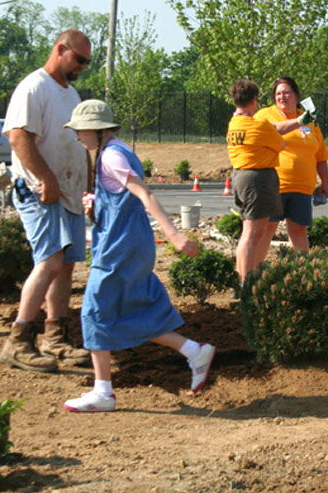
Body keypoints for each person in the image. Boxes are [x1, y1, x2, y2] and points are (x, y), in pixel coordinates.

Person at [61, 100, 214, 412]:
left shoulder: (112, 156)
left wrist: (174, 235)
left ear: (97, 129)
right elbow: (120, 198)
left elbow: (145, 194)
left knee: (94, 311)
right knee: (136, 310)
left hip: (119, 249)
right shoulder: (114, 150)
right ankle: (194, 352)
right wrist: (96, 203)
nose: (77, 136)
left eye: (80, 130)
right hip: (131, 245)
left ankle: (103, 392)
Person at [0, 29, 93, 373]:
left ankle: (54, 337)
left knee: (66, 264)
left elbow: (81, 144)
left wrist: (88, 186)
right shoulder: (34, 87)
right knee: (50, 261)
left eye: (86, 61)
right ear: (60, 49)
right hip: (40, 191)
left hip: (67, 194)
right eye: (79, 59)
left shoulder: (71, 94)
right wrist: (47, 179)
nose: (82, 67)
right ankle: (18, 340)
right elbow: (19, 138)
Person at [227, 79, 305, 283]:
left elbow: (274, 129)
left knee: (248, 233)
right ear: (254, 101)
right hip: (258, 180)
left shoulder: (234, 123)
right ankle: (246, 282)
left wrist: (299, 121)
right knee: (253, 235)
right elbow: (281, 144)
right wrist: (300, 122)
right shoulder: (259, 125)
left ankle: (243, 278)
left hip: (240, 176)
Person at [254, 77, 328, 250]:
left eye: (287, 92)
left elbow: (320, 154)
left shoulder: (309, 119)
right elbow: (268, 131)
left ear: (296, 95)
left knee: (299, 232)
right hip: (274, 185)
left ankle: (301, 274)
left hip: (302, 187)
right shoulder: (264, 115)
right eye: (278, 93)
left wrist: (325, 181)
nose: (282, 97)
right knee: (266, 230)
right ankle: (254, 274)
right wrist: (298, 122)